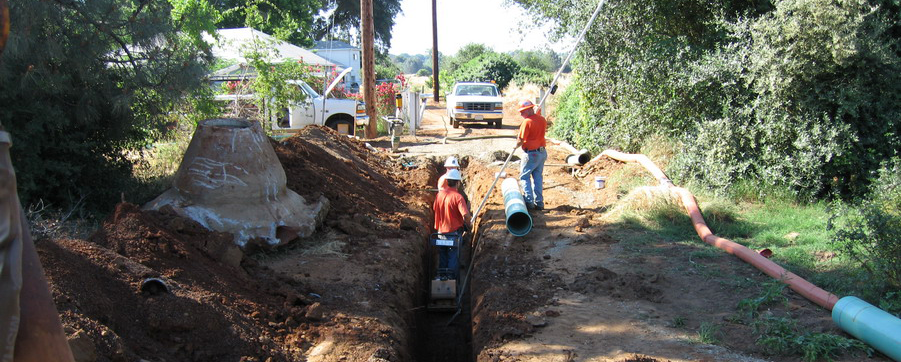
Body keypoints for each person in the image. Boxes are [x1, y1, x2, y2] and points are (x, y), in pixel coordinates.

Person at [432, 169, 472, 279]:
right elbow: (466, 215)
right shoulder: (458, 197)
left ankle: (441, 278)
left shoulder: (439, 195)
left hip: (440, 233)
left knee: (443, 255)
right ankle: (451, 280)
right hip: (453, 234)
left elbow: (434, 208)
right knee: (453, 257)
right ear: (458, 183)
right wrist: (469, 224)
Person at [516, 100, 548, 210]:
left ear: (530, 109)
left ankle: (529, 202)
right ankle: (539, 203)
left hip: (531, 154)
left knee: (524, 177)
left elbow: (521, 139)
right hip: (542, 153)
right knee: (538, 176)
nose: (521, 114)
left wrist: (515, 146)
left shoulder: (527, 122)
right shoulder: (542, 120)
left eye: (523, 112)